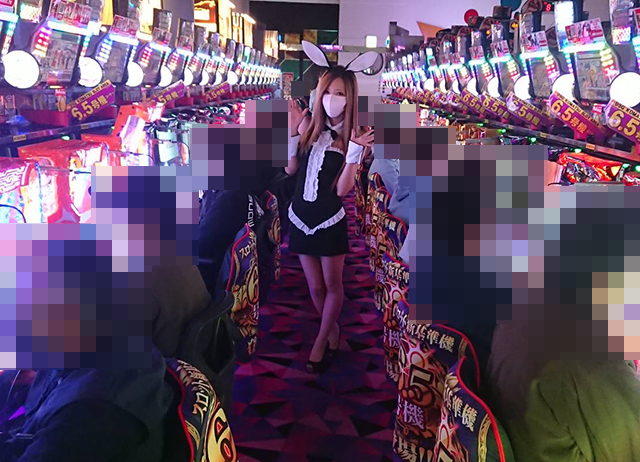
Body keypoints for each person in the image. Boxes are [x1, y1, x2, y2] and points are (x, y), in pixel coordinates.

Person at [287, 66, 374, 373]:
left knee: (333, 284)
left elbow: (342, 190)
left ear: (350, 99)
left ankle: (320, 341)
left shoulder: (353, 137)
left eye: (339, 93)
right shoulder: (308, 126)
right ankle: (333, 332)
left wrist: (354, 153)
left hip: (329, 219)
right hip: (300, 216)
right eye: (327, 92)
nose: (331, 99)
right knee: (315, 288)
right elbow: (289, 169)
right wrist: (291, 132)